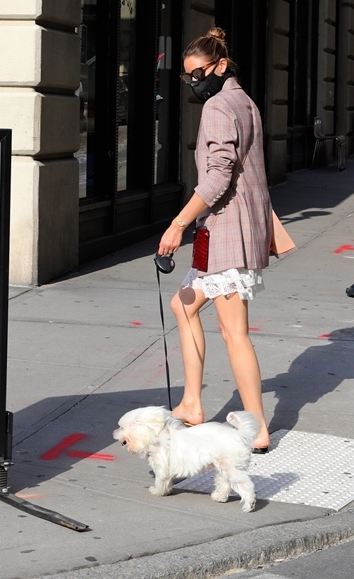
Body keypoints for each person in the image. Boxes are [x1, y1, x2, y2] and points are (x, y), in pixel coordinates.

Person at [157, 27, 272, 453]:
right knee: (183, 304)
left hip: (228, 228)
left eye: (197, 73)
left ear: (220, 66)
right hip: (225, 229)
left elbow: (221, 173)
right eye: (187, 76)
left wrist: (178, 224)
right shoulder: (243, 100)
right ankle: (191, 402)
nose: (192, 82)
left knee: (233, 330)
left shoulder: (220, 106)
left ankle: (257, 427)